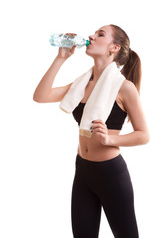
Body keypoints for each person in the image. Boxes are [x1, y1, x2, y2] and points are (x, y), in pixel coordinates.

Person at [33, 25, 150, 238]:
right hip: (83, 171)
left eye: (100, 34)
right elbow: (40, 96)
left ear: (114, 48)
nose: (91, 36)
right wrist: (61, 58)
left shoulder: (124, 87)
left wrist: (108, 139)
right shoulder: (82, 83)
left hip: (111, 175)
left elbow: (143, 134)